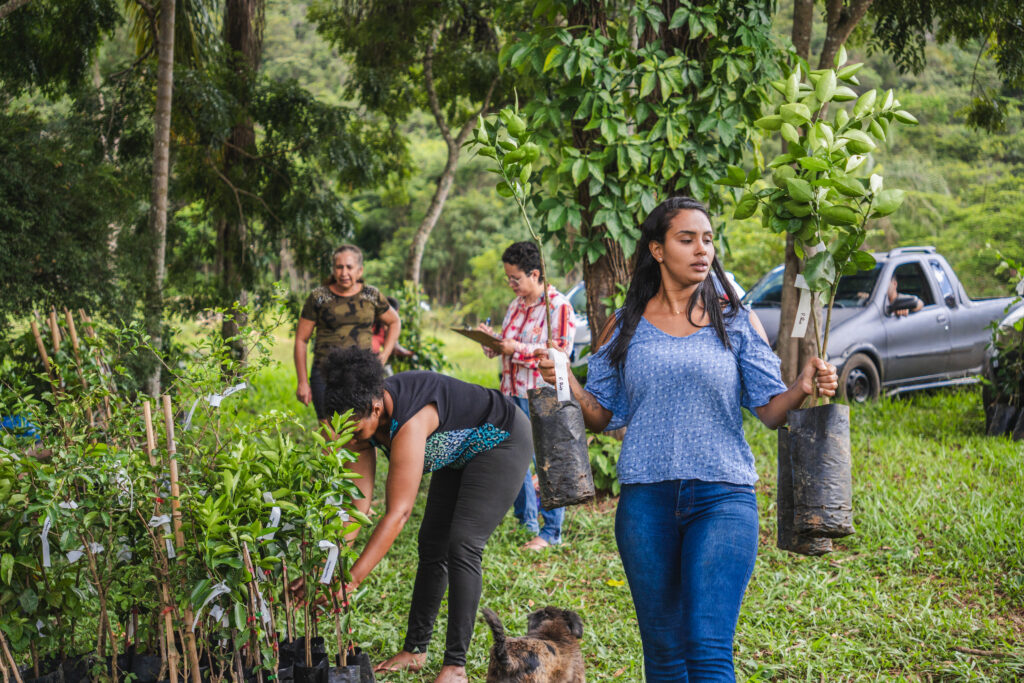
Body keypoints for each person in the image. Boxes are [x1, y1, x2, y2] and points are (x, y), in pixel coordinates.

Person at [536, 197, 838, 681]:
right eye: (687, 239)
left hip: (723, 498)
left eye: (708, 239)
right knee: (662, 650)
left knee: (708, 647)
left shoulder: (734, 319)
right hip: (645, 503)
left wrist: (802, 386)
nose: (702, 250)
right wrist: (565, 376)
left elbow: (769, 410)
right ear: (656, 249)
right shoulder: (625, 325)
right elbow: (599, 414)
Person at [319, 347, 532, 683]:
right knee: (432, 542)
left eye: (356, 431)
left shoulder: (412, 417)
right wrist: (326, 566)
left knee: (462, 543)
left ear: (376, 407)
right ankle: (415, 651)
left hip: (500, 437)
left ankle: (455, 667)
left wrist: (353, 580)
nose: (352, 439)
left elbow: (399, 513)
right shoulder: (362, 423)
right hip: (456, 449)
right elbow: (357, 507)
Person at [477, 241, 575, 551]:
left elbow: (559, 353)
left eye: (515, 278)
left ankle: (552, 531)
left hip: (541, 394)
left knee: (547, 461)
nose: (510, 284)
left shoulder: (558, 306)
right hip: (510, 392)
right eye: (508, 278)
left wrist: (514, 348)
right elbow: (506, 346)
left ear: (535, 274)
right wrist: (492, 342)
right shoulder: (515, 305)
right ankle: (527, 523)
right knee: (514, 459)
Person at [294, 244, 400, 520]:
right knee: (331, 435)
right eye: (339, 267)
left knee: (364, 433)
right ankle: (336, 495)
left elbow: (394, 322)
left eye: (349, 267)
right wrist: (302, 381)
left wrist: (382, 357)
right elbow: (301, 339)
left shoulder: (371, 294)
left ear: (360, 270)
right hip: (326, 373)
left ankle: (361, 497)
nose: (344, 273)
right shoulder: (318, 297)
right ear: (333, 269)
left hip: (363, 374)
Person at [371, 296, 413, 373]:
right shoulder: (389, 325)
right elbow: (395, 348)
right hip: (371, 358)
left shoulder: (370, 319)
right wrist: (410, 353)